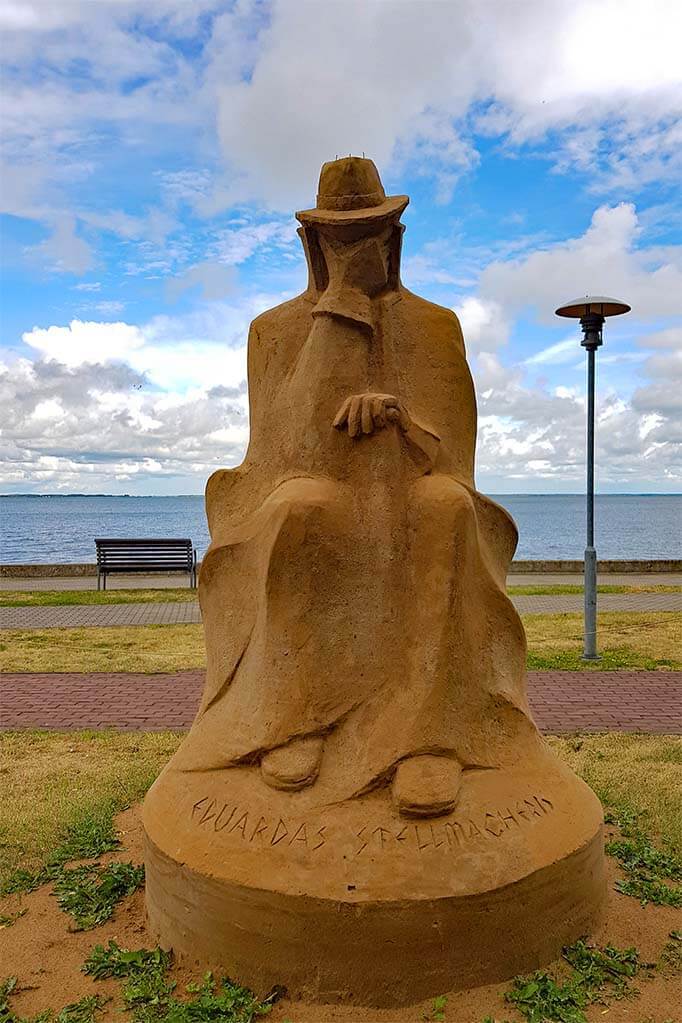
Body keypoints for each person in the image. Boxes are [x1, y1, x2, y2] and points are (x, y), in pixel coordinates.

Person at [176, 157, 540, 818]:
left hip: (412, 493)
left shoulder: (437, 326)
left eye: (368, 238)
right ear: (312, 245)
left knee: (446, 509)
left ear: (395, 241)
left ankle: (425, 739)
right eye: (340, 241)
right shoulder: (274, 331)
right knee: (297, 509)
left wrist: (402, 420)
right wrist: (340, 306)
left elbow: (453, 455)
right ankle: (296, 721)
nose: (355, 253)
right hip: (316, 492)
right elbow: (282, 452)